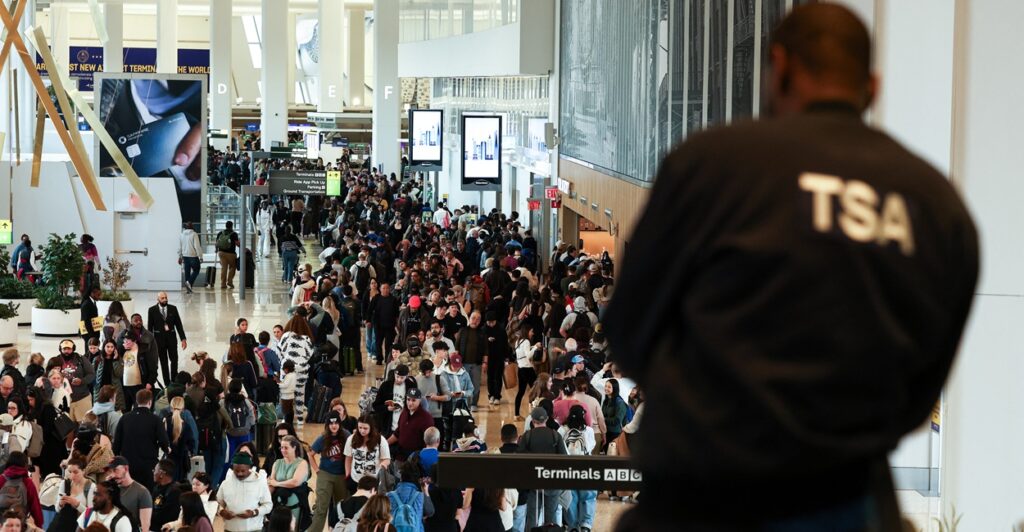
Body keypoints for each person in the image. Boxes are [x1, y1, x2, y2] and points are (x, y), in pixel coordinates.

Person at [605, 5, 979, 531]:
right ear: (871, 86)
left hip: (702, 502)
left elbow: (628, 330)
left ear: (777, 66)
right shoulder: (937, 209)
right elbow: (922, 392)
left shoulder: (711, 167)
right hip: (850, 506)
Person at [112, 390, 170, 492]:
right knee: (147, 494)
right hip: (148, 466)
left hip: (128, 465)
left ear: (137, 401)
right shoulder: (155, 419)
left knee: (128, 494)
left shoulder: (124, 418)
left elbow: (116, 445)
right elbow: (163, 441)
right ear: (150, 402)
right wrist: (167, 449)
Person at [518, 407, 566, 528]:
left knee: (532, 518)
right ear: (547, 419)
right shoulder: (555, 436)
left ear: (533, 421)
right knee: (551, 519)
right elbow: (564, 459)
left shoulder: (527, 436)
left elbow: (519, 459)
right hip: (552, 482)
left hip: (532, 484)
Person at [309, 412, 349, 532]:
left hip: (342, 475)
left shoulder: (347, 435)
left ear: (340, 423)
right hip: (325, 473)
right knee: (321, 506)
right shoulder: (322, 438)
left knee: (341, 507)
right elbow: (310, 454)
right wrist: (317, 470)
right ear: (327, 425)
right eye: (331, 423)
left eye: (336, 422)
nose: (334, 425)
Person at [558, 405, 596, 532]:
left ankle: (573, 526)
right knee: (588, 496)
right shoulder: (589, 431)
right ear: (583, 416)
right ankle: (586, 524)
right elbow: (590, 447)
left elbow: (560, 449)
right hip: (586, 467)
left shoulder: (562, 430)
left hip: (568, 468)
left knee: (571, 496)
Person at [216, 453, 272, 532]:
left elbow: (268, 505)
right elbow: (217, 504)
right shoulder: (226, 483)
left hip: (254, 529)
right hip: (230, 529)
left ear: (249, 467)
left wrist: (253, 513)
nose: (239, 473)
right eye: (236, 471)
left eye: (243, 471)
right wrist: (222, 512)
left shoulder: (260, 483)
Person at [277, 316, 313, 431]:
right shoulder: (307, 339)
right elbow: (310, 354)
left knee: (285, 394)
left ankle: (286, 417)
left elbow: (280, 351)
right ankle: (300, 419)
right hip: (302, 370)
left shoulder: (286, 336)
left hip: (287, 370)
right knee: (300, 394)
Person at [146, 293, 187, 388]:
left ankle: (174, 379)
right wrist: (150, 343)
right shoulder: (152, 310)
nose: (165, 299)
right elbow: (150, 328)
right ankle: (167, 383)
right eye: (162, 298)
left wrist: (183, 339)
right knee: (163, 362)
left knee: (174, 360)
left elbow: (179, 325)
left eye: (166, 298)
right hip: (159, 341)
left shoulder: (173, 308)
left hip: (172, 339)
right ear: (158, 299)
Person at [267, 435, 309, 526]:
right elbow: (271, 484)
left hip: (295, 507)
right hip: (278, 507)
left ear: (294, 448)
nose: (283, 450)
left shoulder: (302, 463)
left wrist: (277, 483)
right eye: (281, 447)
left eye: (286, 448)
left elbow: (295, 482)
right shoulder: (277, 463)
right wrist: (266, 501)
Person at [50, 339, 95, 423]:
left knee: (85, 424)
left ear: (73, 349)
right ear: (60, 349)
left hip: (82, 398)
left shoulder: (81, 359)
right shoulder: (56, 361)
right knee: (67, 428)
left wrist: (82, 381)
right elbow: (49, 376)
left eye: (69, 349)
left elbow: (91, 374)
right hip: (64, 401)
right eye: (64, 349)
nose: (67, 351)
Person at [343, 416, 390, 495]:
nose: (362, 431)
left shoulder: (380, 440)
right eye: (360, 427)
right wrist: (348, 475)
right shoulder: (351, 439)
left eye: (365, 428)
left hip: (373, 481)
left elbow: (387, 459)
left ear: (371, 428)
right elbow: (348, 458)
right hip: (356, 480)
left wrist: (383, 465)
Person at [105, 456, 152, 532]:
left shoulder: (142, 492)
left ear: (126, 469)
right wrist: (106, 487)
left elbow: (145, 527)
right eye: (110, 471)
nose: (112, 475)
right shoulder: (112, 489)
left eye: (115, 470)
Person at [386, 389, 434, 462]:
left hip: (415, 459)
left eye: (414, 400)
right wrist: (385, 443)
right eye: (408, 399)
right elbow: (398, 432)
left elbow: (428, 443)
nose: (410, 403)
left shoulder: (426, 418)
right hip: (400, 455)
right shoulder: (404, 412)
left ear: (420, 400)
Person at [386, 461, 433, 532]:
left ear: (401, 477)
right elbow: (430, 512)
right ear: (417, 479)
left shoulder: (389, 495)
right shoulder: (420, 496)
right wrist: (425, 491)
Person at [454, 311, 487, 411]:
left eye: (478, 319)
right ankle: (465, 404)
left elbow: (486, 350)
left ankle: (474, 404)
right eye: (473, 318)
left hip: (477, 364)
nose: (475, 320)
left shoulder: (482, 333)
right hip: (463, 364)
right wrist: (456, 363)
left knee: (476, 385)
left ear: (480, 321)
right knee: (463, 385)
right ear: (469, 318)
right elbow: (457, 347)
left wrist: (485, 363)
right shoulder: (462, 331)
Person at [372, 365, 416, 438]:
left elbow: (416, 405)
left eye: (402, 378)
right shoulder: (386, 385)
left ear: (407, 376)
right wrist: (387, 408)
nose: (399, 379)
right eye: (397, 376)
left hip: (405, 426)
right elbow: (376, 406)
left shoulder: (411, 386)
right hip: (388, 427)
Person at [0, 452, 41, 526]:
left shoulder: (1, 479)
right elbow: (35, 507)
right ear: (25, 465)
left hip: (2, 524)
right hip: (19, 525)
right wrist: (39, 525)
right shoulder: (28, 482)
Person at [221, 379, 256, 464]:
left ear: (229, 388)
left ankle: (232, 469)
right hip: (244, 431)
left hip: (230, 431)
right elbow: (251, 415)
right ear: (240, 389)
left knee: (231, 454)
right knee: (245, 452)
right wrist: (250, 426)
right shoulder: (245, 400)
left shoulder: (224, 401)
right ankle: (245, 467)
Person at [370, 284, 400, 366]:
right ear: (380, 289)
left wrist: (397, 324)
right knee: (378, 343)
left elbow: (397, 313)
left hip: (390, 325)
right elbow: (370, 309)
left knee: (389, 344)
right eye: (384, 288)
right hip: (378, 325)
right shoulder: (376, 298)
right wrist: (368, 320)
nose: (385, 290)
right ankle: (379, 358)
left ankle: (388, 358)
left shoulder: (393, 299)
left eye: (387, 288)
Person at [149, 460, 181, 531]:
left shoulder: (174, 492)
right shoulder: (156, 488)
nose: (153, 473)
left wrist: (147, 514)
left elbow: (167, 517)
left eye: (155, 470)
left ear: (161, 473)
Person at [601, 378, 629, 454]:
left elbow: (617, 421)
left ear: (615, 388)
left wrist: (603, 419)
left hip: (615, 434)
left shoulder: (620, 403)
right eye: (606, 386)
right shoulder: (606, 401)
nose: (606, 388)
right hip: (606, 432)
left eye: (609, 387)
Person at [179, 222, 203, 293]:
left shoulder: (181, 234)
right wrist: (200, 256)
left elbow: (180, 247)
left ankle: (188, 289)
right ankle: (189, 282)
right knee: (196, 270)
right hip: (193, 256)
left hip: (185, 256)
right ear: (192, 227)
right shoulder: (194, 234)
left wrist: (180, 257)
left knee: (187, 272)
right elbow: (197, 246)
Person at [215, 221, 239, 289]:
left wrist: (216, 250)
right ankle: (230, 281)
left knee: (224, 268)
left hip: (221, 253)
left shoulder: (220, 233)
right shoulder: (234, 234)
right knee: (233, 267)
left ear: (225, 226)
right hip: (231, 254)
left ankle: (223, 284)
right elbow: (237, 243)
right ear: (232, 226)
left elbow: (216, 243)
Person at [279, 361, 296, 425]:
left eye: (284, 369)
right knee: (290, 410)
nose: (284, 371)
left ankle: (286, 423)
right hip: (291, 395)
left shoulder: (288, 376)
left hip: (285, 396)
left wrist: (278, 384)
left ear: (287, 369)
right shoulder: (294, 375)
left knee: (285, 411)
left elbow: (285, 385)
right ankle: (290, 423)